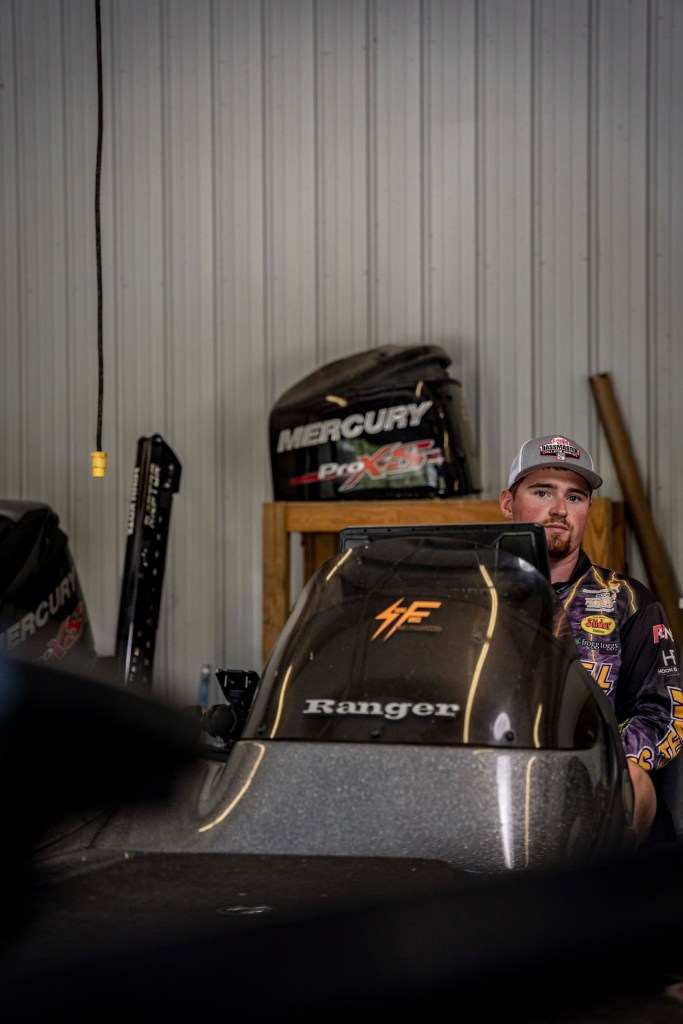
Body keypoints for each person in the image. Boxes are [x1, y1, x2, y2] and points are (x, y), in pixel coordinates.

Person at [499, 433, 681, 848]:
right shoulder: (474, 595)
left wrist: (606, 761)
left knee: (631, 776)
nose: (560, 509)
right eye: (542, 492)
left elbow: (663, 710)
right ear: (508, 503)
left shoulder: (628, 600)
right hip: (491, 770)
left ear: (587, 510)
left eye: (575, 497)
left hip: (594, 779)